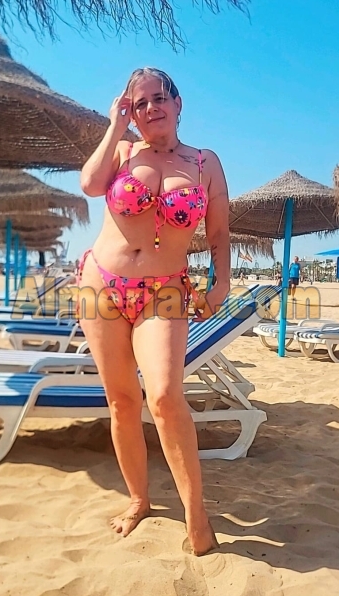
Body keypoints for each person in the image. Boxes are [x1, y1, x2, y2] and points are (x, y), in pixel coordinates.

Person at [79, 67, 231, 556]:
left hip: (164, 290)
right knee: (123, 401)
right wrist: (114, 125)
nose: (150, 108)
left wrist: (221, 282)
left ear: (178, 102)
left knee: (164, 395)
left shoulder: (205, 163)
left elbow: (219, 232)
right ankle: (139, 500)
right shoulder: (123, 151)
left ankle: (195, 511)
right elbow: (89, 184)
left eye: (158, 98)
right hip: (101, 283)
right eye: (138, 103)